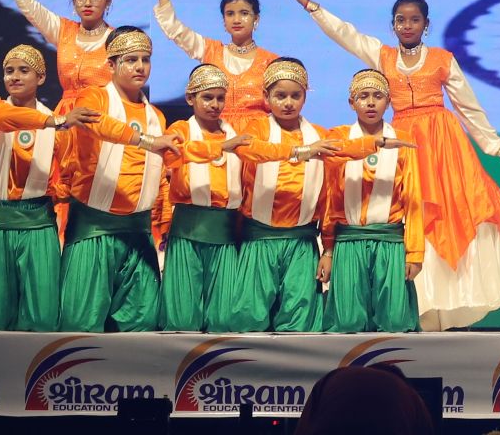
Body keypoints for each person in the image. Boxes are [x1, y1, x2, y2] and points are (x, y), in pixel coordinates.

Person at [282, 0, 500, 330]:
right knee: (410, 211)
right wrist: (310, 6)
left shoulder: (442, 59)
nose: (407, 25)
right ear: (393, 25)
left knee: (447, 211)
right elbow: (346, 34)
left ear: (425, 24)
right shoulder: (383, 56)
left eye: (414, 20)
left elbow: (467, 105)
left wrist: (495, 146)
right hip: (401, 142)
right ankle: (418, 303)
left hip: (442, 143)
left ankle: (444, 302)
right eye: (400, 20)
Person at [49, 25, 176, 333]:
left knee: (142, 327)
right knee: (81, 326)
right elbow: (101, 125)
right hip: (95, 231)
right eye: (130, 60)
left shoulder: (156, 116)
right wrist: (146, 141)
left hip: (138, 235)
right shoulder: (94, 98)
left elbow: (160, 175)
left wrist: (165, 221)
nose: (140, 67)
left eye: (145, 59)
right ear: (111, 64)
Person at [212, 58, 341, 333]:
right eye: (280, 96)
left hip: (301, 244)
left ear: (305, 96)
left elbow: (329, 199)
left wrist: (328, 250)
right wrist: (299, 152)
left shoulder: (319, 135)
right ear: (266, 96)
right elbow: (249, 151)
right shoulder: (256, 130)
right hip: (259, 242)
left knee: (299, 322)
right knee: (248, 318)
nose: (288, 103)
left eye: (296, 96)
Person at [0, 43, 85, 332]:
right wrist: (55, 121)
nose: (14, 77)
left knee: (41, 318)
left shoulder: (58, 127)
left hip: (38, 224)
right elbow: (9, 120)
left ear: (41, 78)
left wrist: (54, 193)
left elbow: (70, 172)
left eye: (23, 71)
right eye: (9, 71)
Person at [320, 68, 424, 333]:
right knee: (347, 322)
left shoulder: (403, 141)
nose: (370, 102)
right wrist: (328, 250)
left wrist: (415, 253)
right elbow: (330, 198)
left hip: (389, 243)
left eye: (377, 96)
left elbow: (413, 198)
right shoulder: (338, 138)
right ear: (351, 102)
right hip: (349, 242)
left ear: (388, 102)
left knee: (394, 322)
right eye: (363, 96)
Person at [157, 63, 246, 332]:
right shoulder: (180, 130)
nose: (215, 105)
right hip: (188, 231)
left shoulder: (234, 132)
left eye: (220, 98)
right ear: (190, 98)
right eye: (207, 97)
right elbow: (171, 156)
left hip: (225, 234)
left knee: (223, 319)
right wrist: (220, 147)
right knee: (182, 318)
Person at [152, 0, 281, 121]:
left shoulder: (271, 61)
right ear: (224, 20)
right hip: (216, 132)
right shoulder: (211, 51)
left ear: (256, 19)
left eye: (244, 13)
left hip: (258, 134)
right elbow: (175, 29)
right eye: (230, 14)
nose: (237, 20)